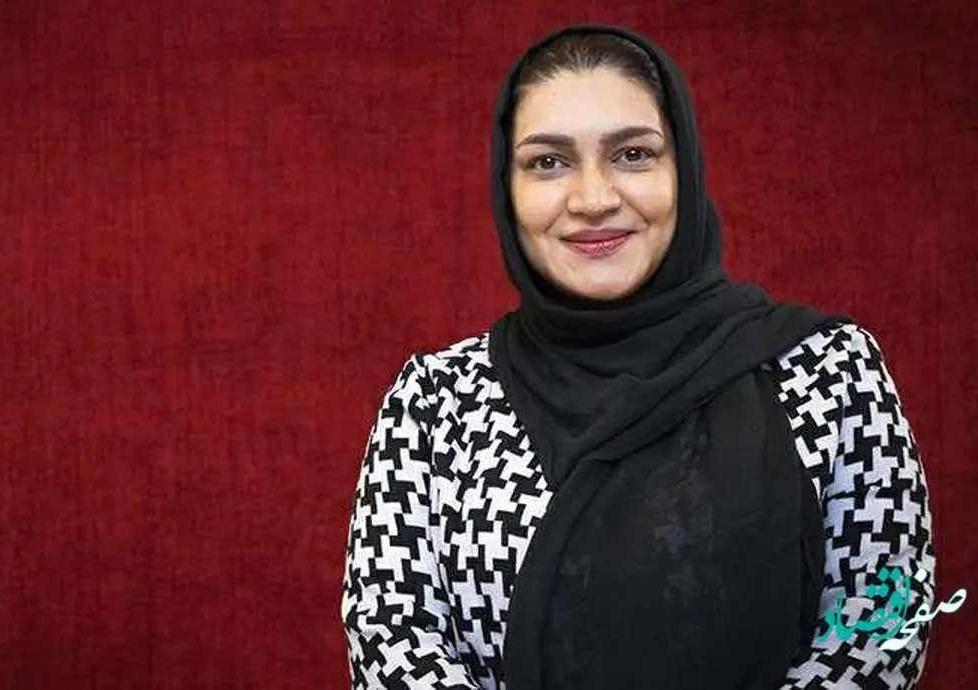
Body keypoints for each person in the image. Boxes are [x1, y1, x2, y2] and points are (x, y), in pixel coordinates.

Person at [340, 23, 936, 690]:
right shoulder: (435, 402)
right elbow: (391, 635)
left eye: (632, 154)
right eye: (548, 162)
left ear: (684, 169)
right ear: (506, 188)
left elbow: (886, 617)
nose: (593, 199)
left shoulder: (829, 369)